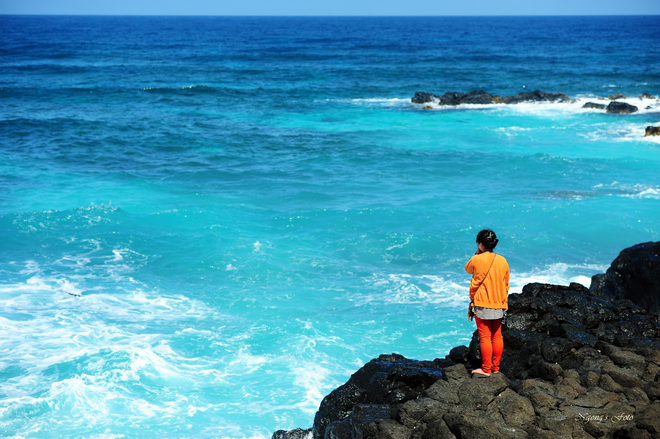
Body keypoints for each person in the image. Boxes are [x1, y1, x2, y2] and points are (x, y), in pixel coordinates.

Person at [465, 229, 510, 377]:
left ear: (480, 244)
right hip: (499, 302)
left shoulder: (476, 259)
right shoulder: (502, 260)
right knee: (497, 336)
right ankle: (495, 367)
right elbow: (506, 283)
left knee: (485, 337)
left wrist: (478, 253)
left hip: (482, 302)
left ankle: (486, 369)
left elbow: (468, 269)